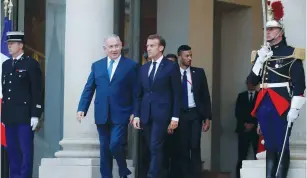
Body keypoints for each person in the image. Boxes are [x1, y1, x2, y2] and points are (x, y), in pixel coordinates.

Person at [247, 1, 305, 177]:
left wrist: (295, 107)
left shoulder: (292, 53)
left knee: (281, 144)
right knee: (270, 145)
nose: (268, 32)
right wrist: (259, 60)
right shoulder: (261, 54)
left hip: (281, 103)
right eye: (267, 29)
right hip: (264, 103)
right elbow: (251, 81)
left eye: (271, 29)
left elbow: (300, 84)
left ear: (280, 32)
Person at [77, 34, 137, 178]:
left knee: (115, 144)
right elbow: (89, 88)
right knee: (104, 149)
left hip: (122, 112)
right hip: (102, 113)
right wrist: (81, 108)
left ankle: (123, 169)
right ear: (105, 49)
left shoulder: (131, 66)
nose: (114, 49)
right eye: (111, 47)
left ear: (121, 45)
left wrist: (135, 111)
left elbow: (136, 92)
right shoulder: (97, 65)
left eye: (116, 46)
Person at [132, 34, 181, 178]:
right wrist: (136, 114)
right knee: (151, 148)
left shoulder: (171, 67)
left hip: (162, 114)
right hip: (146, 114)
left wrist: (175, 117)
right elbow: (139, 94)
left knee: (155, 145)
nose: (148, 48)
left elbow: (177, 93)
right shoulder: (144, 68)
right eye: (147, 46)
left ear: (161, 48)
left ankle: (152, 175)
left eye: (152, 46)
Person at [1, 31, 43, 178]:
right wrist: (3, 116)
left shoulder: (31, 64)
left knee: (25, 151)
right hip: (10, 116)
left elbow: (37, 91)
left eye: (12, 44)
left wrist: (35, 114)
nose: (9, 46)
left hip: (25, 116)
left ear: (21, 45)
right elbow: (6, 91)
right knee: (12, 151)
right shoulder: (6, 65)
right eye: (8, 44)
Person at [176, 45, 211, 178]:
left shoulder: (199, 72)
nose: (190, 58)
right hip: (180, 115)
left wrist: (207, 118)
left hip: (195, 114)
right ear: (180, 57)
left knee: (195, 146)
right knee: (183, 148)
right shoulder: (173, 73)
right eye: (186, 56)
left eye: (191, 55)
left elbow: (205, 96)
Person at [235, 79, 259, 178]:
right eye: (249, 83)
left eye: (252, 83)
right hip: (243, 129)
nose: (250, 85)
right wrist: (245, 124)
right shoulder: (241, 96)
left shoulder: (259, 96)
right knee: (242, 156)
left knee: (258, 155)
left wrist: (253, 124)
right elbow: (237, 112)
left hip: (256, 130)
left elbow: (261, 112)